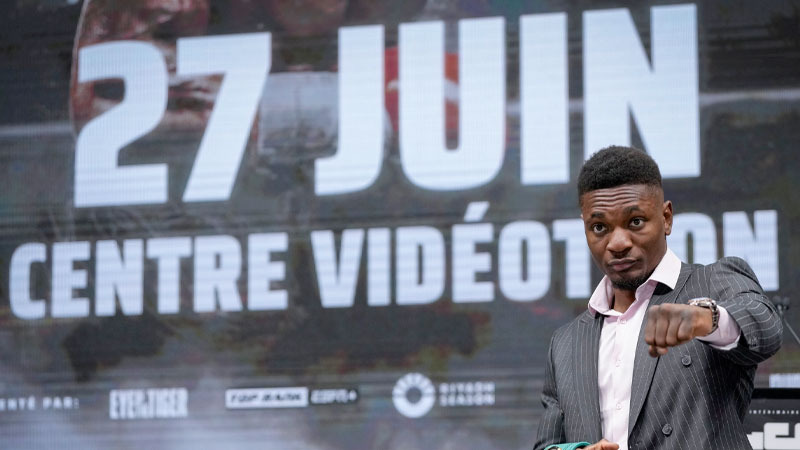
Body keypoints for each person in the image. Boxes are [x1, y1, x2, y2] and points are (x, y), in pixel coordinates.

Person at [533, 146, 783, 450]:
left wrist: (706, 318)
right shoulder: (565, 343)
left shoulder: (713, 282)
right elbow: (547, 445)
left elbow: (765, 325)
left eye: (635, 221)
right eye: (599, 227)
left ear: (666, 218)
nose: (618, 243)